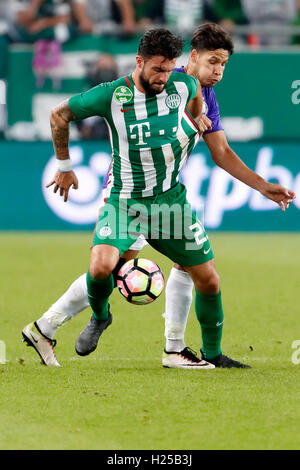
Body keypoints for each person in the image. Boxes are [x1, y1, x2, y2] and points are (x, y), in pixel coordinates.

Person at [22, 25, 295, 369]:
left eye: (224, 65)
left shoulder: (197, 90)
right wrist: (65, 164)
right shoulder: (154, 85)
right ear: (191, 58)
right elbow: (65, 114)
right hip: (129, 194)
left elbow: (220, 150)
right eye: (213, 62)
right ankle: (56, 324)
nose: (218, 72)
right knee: (109, 267)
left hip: (167, 198)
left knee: (197, 271)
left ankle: (180, 350)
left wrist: (262, 185)